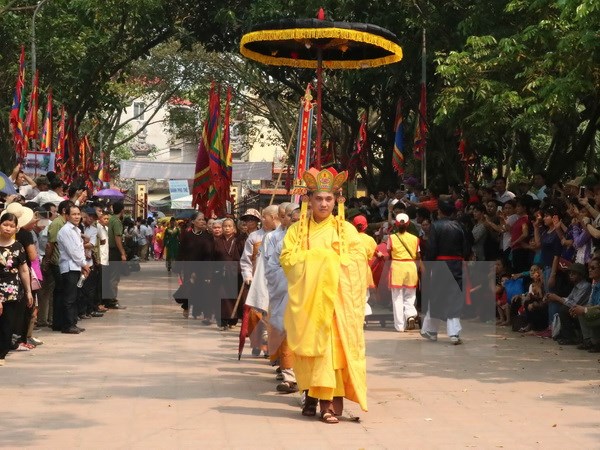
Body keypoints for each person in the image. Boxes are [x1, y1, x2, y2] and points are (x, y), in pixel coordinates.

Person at [281, 167, 369, 424]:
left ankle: (326, 404)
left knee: (328, 354)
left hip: (334, 305)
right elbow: (287, 260)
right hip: (308, 303)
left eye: (328, 199)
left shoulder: (346, 230)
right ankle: (310, 394)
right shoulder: (297, 231)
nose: (323, 203)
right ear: (308, 200)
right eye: (318, 198)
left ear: (337, 201)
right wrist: (325, 260)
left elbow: (357, 261)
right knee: (308, 353)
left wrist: (327, 265)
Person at [421, 200, 470, 345]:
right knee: (454, 297)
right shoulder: (459, 226)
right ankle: (454, 333)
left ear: (440, 211)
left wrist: (429, 265)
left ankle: (432, 330)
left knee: (436, 297)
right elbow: (466, 248)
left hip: (439, 265)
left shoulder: (435, 226)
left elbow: (431, 249)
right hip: (456, 264)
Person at [264, 203, 299, 393]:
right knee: (285, 332)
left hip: (314, 297)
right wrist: (291, 280)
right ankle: (289, 375)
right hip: (285, 293)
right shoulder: (277, 240)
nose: (295, 224)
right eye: (292, 220)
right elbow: (270, 268)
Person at [0, 212, 34, 366]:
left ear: (16, 228)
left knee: (7, 324)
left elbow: (24, 270)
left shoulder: (18, 247)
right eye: (5, 224)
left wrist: (28, 291)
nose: (8, 228)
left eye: (11, 226)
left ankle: (1, 353)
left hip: (12, 291)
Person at [57, 205, 90, 334]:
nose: (77, 217)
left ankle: (73, 322)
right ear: (67, 215)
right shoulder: (66, 230)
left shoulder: (76, 230)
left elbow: (80, 249)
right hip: (69, 267)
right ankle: (67, 324)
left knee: (75, 296)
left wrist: (83, 264)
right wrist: (84, 264)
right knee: (69, 297)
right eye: (74, 214)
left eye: (78, 214)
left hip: (76, 266)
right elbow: (73, 251)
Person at [387, 213, 420, 332]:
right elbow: (418, 255)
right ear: (408, 224)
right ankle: (410, 315)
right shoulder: (415, 239)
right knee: (410, 295)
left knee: (397, 297)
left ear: (396, 224)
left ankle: (400, 326)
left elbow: (389, 253)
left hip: (397, 267)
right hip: (410, 267)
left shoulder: (392, 238)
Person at [177, 212, 213, 319]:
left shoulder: (208, 236)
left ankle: (200, 311)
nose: (202, 221)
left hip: (204, 267)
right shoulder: (187, 236)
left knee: (202, 289)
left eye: (203, 220)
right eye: (200, 219)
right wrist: (178, 266)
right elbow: (181, 252)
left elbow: (210, 253)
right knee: (189, 288)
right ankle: (186, 306)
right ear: (193, 222)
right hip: (190, 267)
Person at [213, 218, 244, 328]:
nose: (227, 228)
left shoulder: (239, 240)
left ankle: (232, 320)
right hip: (221, 272)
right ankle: (222, 320)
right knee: (222, 296)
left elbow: (243, 256)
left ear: (234, 228)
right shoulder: (217, 241)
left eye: (229, 226)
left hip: (236, 272)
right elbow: (214, 257)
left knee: (233, 297)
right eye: (225, 226)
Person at [570, 258, 600, 352]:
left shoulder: (588, 285)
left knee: (586, 312)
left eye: (593, 267)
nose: (590, 270)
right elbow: (591, 303)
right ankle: (589, 341)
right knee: (580, 310)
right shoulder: (595, 285)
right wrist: (578, 309)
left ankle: (596, 342)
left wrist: (584, 309)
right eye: (589, 268)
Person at [105, 201, 127, 309]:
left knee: (108, 276)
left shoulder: (109, 219)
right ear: (122, 210)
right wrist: (122, 253)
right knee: (114, 277)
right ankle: (112, 300)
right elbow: (118, 238)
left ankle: (107, 299)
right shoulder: (117, 221)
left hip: (107, 250)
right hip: (114, 251)